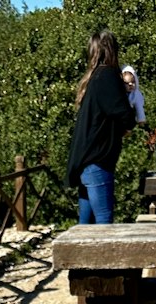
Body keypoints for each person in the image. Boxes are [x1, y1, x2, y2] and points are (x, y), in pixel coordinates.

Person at [66, 30, 137, 224]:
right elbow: (124, 114)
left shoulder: (94, 77)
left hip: (86, 161)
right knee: (104, 226)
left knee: (85, 226)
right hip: (98, 160)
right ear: (112, 50)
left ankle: (77, 256)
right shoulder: (108, 76)